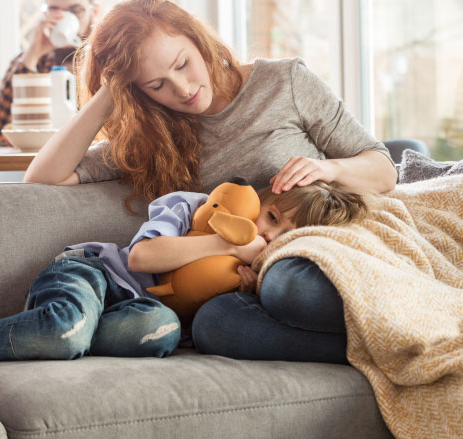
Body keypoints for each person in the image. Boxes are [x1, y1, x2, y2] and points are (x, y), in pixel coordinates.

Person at [22, 0, 397, 363]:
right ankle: (370, 351)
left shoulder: (285, 82)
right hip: (241, 282)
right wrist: (109, 92)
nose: (183, 89)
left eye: (183, 64)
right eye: (157, 84)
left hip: (313, 255)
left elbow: (384, 170)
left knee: (289, 287)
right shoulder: (153, 136)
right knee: (214, 326)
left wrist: (330, 169)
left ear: (197, 40)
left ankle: (381, 340)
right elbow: (43, 177)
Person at [0, 180, 368, 364]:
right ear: (261, 197)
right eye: (273, 215)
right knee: (63, 330)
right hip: (94, 274)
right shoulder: (197, 208)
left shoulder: (260, 276)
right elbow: (141, 259)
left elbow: (211, 316)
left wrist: (247, 286)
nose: (265, 232)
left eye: (282, 236)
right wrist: (225, 242)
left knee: (160, 332)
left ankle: (40, 331)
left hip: (136, 316)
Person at [0, 0, 102, 145]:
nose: (63, 17)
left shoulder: (109, 61)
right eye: (54, 9)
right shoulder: (32, 61)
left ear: (94, 11)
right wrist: (32, 55)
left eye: (75, 10)